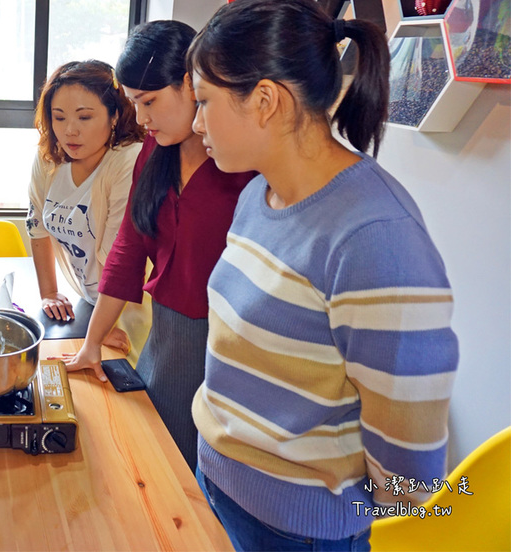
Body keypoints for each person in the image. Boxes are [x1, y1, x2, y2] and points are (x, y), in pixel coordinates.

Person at [187, 1, 459, 550]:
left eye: (203, 102)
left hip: (298, 530)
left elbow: (411, 465)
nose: (196, 124)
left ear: (265, 101)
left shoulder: (376, 236)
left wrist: (355, 519)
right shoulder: (254, 196)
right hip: (217, 484)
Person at [62, 21, 255, 471]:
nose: (143, 117)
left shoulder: (239, 159)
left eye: (149, 101)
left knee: (190, 465)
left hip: (225, 338)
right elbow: (130, 245)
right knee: (155, 453)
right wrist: (91, 344)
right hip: (167, 330)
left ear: (192, 84)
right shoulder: (156, 148)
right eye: (133, 103)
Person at [26, 60, 145, 355]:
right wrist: (50, 293)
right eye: (59, 117)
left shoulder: (128, 160)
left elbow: (119, 258)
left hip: (130, 311)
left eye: (85, 117)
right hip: (92, 302)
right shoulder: (49, 158)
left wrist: (100, 329)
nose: (70, 131)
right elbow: (37, 226)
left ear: (114, 116)